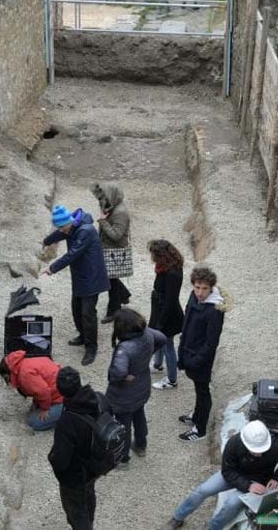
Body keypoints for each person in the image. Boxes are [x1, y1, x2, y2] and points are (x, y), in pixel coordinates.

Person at [164, 420, 278, 530]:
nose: (258, 453)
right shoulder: (234, 443)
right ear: (244, 442)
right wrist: (248, 486)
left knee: (232, 503)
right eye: (254, 450)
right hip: (235, 473)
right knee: (203, 490)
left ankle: (214, 527)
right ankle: (178, 518)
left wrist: (277, 478)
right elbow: (227, 471)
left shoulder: (277, 447)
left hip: (259, 479)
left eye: (262, 450)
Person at [42, 205, 110, 366]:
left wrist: (52, 268)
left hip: (91, 277)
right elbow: (61, 233)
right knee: (76, 309)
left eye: (62, 227)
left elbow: (72, 254)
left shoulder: (85, 231)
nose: (62, 231)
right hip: (80, 276)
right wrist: (46, 241)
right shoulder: (72, 226)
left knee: (88, 313)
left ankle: (91, 347)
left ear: (69, 222)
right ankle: (83, 335)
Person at [49, 367, 108, 530]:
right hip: (94, 466)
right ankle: (90, 523)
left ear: (60, 390)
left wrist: (51, 458)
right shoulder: (98, 399)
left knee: (76, 511)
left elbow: (61, 460)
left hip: (75, 477)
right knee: (89, 496)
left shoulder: (67, 422)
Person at [106, 308, 166, 466]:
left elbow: (118, 372)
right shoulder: (147, 333)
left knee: (123, 425)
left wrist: (124, 376)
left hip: (124, 395)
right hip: (142, 386)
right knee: (139, 415)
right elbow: (162, 338)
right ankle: (141, 445)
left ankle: (123, 458)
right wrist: (149, 355)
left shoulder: (125, 348)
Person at [176, 266, 229, 441]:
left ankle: (200, 429)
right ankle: (196, 415)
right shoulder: (194, 297)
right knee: (198, 389)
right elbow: (187, 322)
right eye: (197, 287)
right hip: (189, 352)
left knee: (203, 391)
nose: (200, 292)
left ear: (211, 288)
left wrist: (196, 360)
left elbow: (211, 342)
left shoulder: (214, 310)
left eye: (204, 288)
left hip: (200, 358)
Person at [91, 182, 132, 323]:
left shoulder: (120, 213)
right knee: (110, 278)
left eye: (104, 197)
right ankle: (124, 295)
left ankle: (114, 310)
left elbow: (116, 235)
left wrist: (103, 221)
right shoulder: (111, 206)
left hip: (114, 251)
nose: (101, 200)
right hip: (107, 249)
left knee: (111, 281)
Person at [147, 239, 184, 391]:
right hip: (160, 310)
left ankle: (172, 380)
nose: (152, 258)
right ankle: (157, 365)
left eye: (154, 255)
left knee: (168, 345)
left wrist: (160, 323)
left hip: (168, 315)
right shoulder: (166, 267)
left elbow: (170, 301)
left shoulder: (172, 273)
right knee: (160, 340)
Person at [0, 350, 65, 431]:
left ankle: (66, 415)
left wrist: (45, 409)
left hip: (62, 399)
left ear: (7, 374)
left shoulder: (24, 375)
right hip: (62, 390)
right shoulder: (26, 362)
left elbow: (44, 391)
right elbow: (39, 389)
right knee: (32, 413)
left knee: (33, 422)